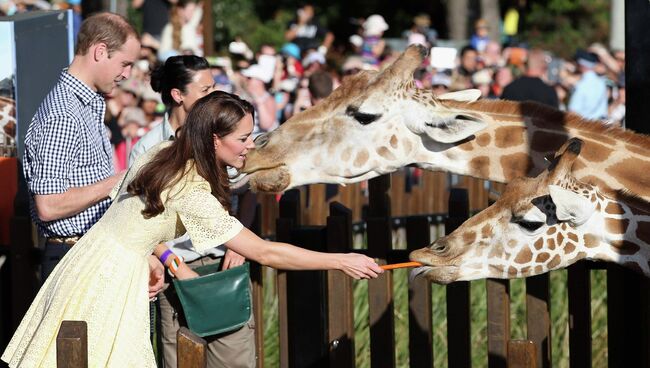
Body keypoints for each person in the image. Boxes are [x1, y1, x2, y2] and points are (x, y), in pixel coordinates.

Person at [1, 91, 382, 367]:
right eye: (243, 138)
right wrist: (341, 260)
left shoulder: (161, 154)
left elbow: (132, 220)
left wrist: (155, 255)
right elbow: (264, 252)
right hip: (109, 276)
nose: (250, 146)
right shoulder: (191, 188)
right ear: (215, 140)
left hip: (89, 260)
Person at [129, 55, 256, 368]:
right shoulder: (148, 148)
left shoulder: (227, 133)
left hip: (222, 264)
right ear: (178, 95)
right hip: (175, 274)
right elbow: (138, 220)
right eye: (205, 88)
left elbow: (249, 190)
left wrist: (236, 243)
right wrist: (171, 263)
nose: (214, 93)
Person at [21, 12, 140, 281]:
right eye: (125, 63)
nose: (127, 74)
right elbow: (49, 205)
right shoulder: (64, 113)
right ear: (100, 51)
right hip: (71, 258)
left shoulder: (86, 104)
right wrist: (117, 182)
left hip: (88, 252)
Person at [568, 50, 608, 120]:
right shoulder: (602, 82)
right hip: (601, 126)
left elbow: (573, 112)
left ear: (581, 65)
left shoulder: (581, 85)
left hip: (585, 126)